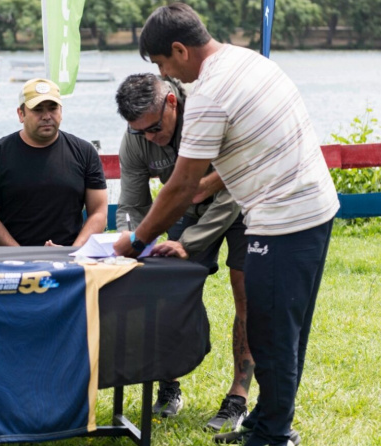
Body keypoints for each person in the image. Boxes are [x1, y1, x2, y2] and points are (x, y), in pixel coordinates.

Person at [113, 4, 340, 446]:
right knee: (282, 328)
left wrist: (137, 241)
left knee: (271, 332)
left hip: (285, 219)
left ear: (180, 49)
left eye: (162, 63)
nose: (165, 72)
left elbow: (181, 186)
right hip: (309, 207)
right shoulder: (248, 59)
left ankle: (273, 435)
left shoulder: (210, 93)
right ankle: (265, 420)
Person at [115, 73, 254, 430]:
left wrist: (187, 244)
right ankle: (168, 384)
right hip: (187, 209)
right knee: (163, 289)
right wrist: (130, 242)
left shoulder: (209, 115)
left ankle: (238, 396)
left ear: (172, 103)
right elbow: (133, 205)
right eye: (140, 131)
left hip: (241, 204)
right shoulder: (136, 138)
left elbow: (230, 191)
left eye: (155, 129)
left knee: (246, 295)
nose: (149, 138)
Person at [0, 78, 108, 247]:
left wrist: (73, 252)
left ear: (61, 111)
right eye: (37, 110)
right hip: (13, 260)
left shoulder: (85, 152)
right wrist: (21, 255)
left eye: (53, 108)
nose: (46, 116)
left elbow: (98, 211)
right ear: (21, 114)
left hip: (71, 257)